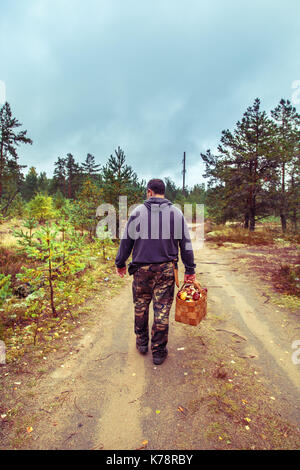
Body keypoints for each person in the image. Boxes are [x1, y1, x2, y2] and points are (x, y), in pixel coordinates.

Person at [115, 178, 196, 365]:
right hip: (166, 269)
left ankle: (142, 342)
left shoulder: (137, 213)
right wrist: (190, 269)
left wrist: (120, 263)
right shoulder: (176, 214)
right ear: (163, 192)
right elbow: (186, 245)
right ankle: (158, 352)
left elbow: (126, 241)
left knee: (140, 306)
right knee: (162, 309)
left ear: (149, 191)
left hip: (141, 269)